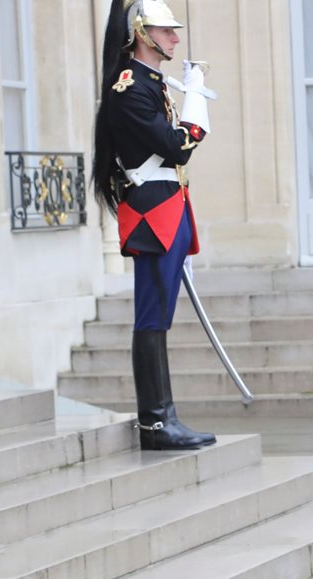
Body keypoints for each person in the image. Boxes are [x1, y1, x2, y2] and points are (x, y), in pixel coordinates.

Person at [93, 0, 216, 450]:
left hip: (169, 206)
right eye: (166, 31)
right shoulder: (129, 87)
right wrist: (197, 97)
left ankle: (164, 415)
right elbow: (177, 145)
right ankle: (156, 421)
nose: (175, 38)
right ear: (142, 34)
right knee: (151, 318)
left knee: (159, 317)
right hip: (152, 211)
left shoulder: (150, 83)